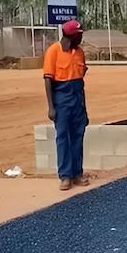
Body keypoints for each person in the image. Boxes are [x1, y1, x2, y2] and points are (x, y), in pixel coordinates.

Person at [43, 19, 89, 190]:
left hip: (77, 98)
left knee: (78, 135)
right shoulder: (53, 51)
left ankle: (77, 173)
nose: (81, 38)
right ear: (70, 36)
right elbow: (48, 79)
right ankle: (65, 175)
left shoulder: (79, 53)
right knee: (63, 137)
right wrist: (51, 106)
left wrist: (85, 108)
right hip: (61, 98)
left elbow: (81, 82)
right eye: (79, 35)